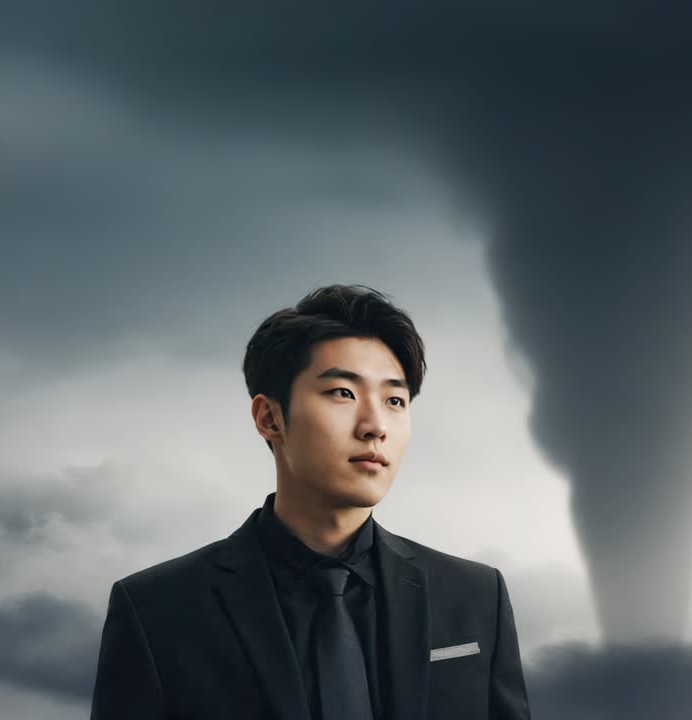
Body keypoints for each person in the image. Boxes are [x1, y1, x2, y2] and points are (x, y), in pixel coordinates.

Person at [90, 284, 532, 719]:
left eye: (395, 400)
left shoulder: (477, 597)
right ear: (270, 418)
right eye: (343, 393)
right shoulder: (156, 611)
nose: (375, 426)